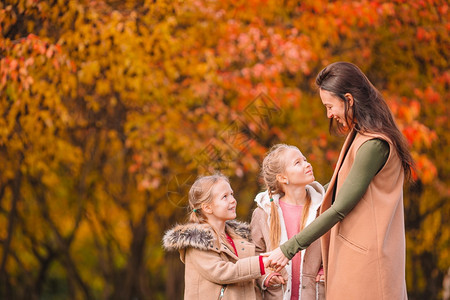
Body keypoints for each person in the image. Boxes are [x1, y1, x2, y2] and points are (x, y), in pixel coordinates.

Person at [264, 62, 414, 300]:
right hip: (356, 258)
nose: (329, 114)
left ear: (349, 99)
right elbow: (340, 186)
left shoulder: (373, 144)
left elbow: (340, 207)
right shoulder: (361, 136)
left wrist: (288, 249)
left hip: (368, 265)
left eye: (330, 106)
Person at [163, 173, 286, 300]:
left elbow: (247, 269)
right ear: (207, 207)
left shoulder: (239, 237)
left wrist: (265, 276)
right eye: (225, 197)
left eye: (231, 194)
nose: (233, 200)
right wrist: (261, 263)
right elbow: (222, 272)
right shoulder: (197, 242)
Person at [250, 144, 326, 300]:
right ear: (282, 178)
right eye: (298, 163)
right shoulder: (263, 213)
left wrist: (326, 271)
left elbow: (335, 248)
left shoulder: (324, 210)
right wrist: (267, 276)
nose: (307, 164)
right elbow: (254, 254)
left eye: (305, 160)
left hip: (315, 294)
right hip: (277, 294)